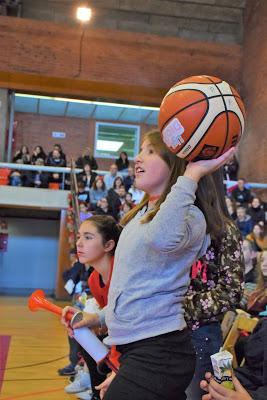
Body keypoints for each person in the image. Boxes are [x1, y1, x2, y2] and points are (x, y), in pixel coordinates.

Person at [63, 130, 236, 400]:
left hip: (161, 350)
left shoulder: (188, 216)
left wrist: (192, 174)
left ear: (174, 165)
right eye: (140, 150)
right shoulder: (139, 216)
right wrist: (98, 317)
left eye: (150, 151)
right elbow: (134, 287)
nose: (138, 158)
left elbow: (162, 238)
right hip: (140, 349)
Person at [184, 169, 244, 400]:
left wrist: (182, 307)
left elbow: (231, 292)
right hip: (165, 330)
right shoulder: (177, 224)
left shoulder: (224, 230)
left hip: (201, 334)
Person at [63, 215, 121, 400]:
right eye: (79, 236)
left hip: (136, 342)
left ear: (108, 245)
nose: (79, 243)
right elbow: (106, 321)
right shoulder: (94, 279)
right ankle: (95, 387)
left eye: (88, 237)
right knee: (80, 328)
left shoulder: (122, 273)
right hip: (115, 338)